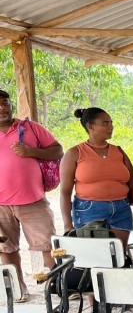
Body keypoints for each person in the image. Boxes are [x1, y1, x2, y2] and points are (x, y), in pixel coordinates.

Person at [0, 89, 61, 303]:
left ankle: (61, 287)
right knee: (6, 249)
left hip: (33, 200)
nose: (2, 108)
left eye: (5, 103)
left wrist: (31, 151)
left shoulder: (30, 127)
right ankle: (18, 290)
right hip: (0, 205)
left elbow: (58, 150)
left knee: (48, 246)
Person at [60, 108, 133, 246]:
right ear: (90, 126)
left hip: (121, 209)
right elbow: (65, 192)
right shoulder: (75, 153)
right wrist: (67, 224)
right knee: (97, 257)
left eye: (111, 123)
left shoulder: (118, 151)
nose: (111, 127)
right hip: (90, 210)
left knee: (118, 256)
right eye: (105, 123)